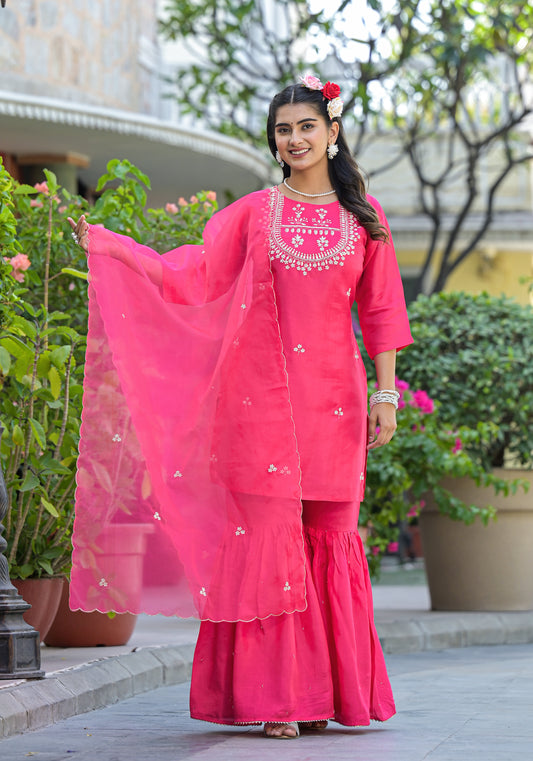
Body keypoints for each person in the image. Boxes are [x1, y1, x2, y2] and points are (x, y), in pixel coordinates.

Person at [69, 75, 412, 740]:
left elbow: (381, 312)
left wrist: (386, 392)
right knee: (266, 543)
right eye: (283, 129)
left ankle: (324, 694)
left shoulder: (364, 219)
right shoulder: (256, 214)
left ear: (331, 132)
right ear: (275, 140)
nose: (295, 139)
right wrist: (119, 250)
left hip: (336, 405)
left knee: (328, 536)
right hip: (258, 406)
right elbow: (194, 272)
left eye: (306, 126)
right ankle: (277, 699)